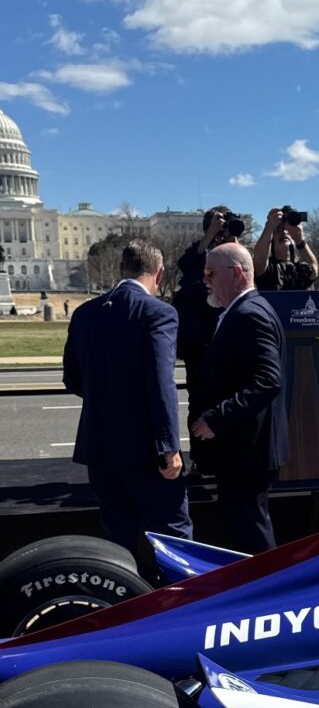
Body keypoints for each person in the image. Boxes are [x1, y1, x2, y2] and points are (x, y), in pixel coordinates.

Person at [62, 240, 192, 560]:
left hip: (100, 447)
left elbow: (72, 379)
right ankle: (177, 593)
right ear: (159, 274)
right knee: (173, 535)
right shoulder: (159, 313)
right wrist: (169, 446)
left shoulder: (85, 313)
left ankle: (124, 591)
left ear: (121, 269)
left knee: (117, 539)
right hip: (145, 449)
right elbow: (161, 383)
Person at [190, 243, 289, 554]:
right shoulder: (239, 311)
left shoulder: (250, 314)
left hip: (247, 450)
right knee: (245, 526)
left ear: (236, 273)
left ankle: (268, 582)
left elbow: (268, 380)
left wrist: (216, 419)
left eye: (210, 272)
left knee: (251, 531)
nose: (204, 279)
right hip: (243, 449)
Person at [173, 206, 242, 469]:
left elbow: (249, 273)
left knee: (232, 401)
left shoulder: (236, 253)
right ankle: (201, 460)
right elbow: (186, 265)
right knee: (200, 403)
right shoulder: (199, 256)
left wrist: (233, 240)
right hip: (200, 344)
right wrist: (211, 235)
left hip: (231, 342)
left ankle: (230, 457)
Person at [253, 206, 319, 292]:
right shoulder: (268, 268)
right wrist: (269, 227)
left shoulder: (301, 267)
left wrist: (300, 240)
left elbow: (313, 271)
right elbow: (258, 261)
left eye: (288, 230)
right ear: (272, 239)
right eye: (279, 229)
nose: (284, 232)